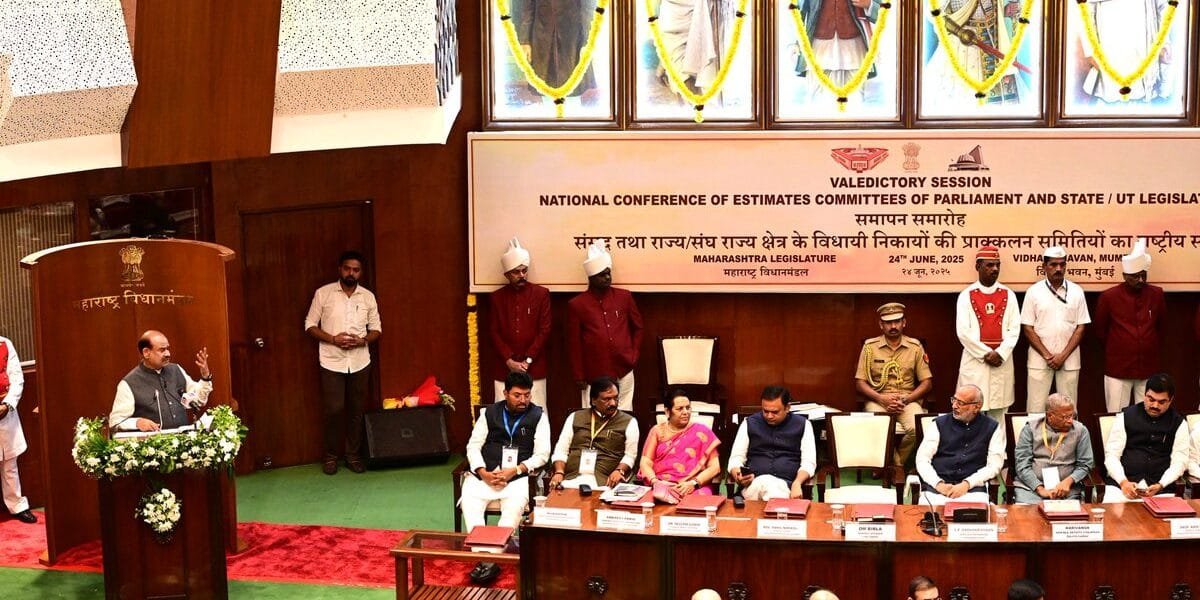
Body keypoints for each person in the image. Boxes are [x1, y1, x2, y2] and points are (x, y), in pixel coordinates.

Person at [305, 250, 382, 475]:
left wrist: (362, 341)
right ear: (340, 269)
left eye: (355, 270)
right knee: (334, 410)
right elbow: (309, 324)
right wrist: (333, 339)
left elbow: (377, 329)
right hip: (331, 360)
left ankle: (353, 456)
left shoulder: (367, 296)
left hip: (360, 360)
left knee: (356, 410)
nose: (351, 273)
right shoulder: (324, 293)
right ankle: (330, 457)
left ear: (360, 272)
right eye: (347, 268)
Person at [461, 371, 550, 532]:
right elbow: (473, 446)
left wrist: (516, 470)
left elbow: (542, 454)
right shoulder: (489, 413)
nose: (523, 400)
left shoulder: (538, 416)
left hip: (518, 479)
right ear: (505, 393)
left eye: (527, 395)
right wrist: (482, 472)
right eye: (517, 395)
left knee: (510, 516)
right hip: (483, 477)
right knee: (471, 508)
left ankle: (496, 554)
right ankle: (480, 550)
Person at [567, 242, 643, 410]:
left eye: (609, 273)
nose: (607, 278)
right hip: (593, 373)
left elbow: (638, 328)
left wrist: (633, 355)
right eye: (602, 275)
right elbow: (574, 343)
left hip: (624, 368)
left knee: (624, 415)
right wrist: (579, 374)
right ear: (591, 277)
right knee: (592, 417)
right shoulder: (577, 304)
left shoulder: (624, 297)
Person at [855, 302, 933, 466]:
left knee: (917, 429)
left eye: (897, 321)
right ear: (881, 325)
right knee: (878, 427)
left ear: (904, 323)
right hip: (878, 399)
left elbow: (927, 383)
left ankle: (893, 464)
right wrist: (881, 399)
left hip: (907, 400)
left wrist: (906, 399)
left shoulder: (915, 347)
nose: (893, 326)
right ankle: (894, 467)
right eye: (888, 322)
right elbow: (860, 382)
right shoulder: (870, 347)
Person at [1094, 238, 1165, 412]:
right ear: (1125, 276)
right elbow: (1100, 331)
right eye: (1135, 277)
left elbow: (1162, 328)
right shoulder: (1109, 297)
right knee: (1116, 416)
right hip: (1118, 367)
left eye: (1143, 275)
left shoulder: (1156, 294)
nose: (1140, 280)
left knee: (1148, 415)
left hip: (1147, 366)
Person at [1021, 246, 1090, 413]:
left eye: (1062, 264)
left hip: (1069, 360)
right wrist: (1047, 355)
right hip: (1039, 360)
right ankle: (1035, 440)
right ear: (1044, 267)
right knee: (1035, 409)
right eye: (1053, 265)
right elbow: (1027, 328)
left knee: (1068, 409)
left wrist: (1063, 355)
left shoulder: (1076, 291)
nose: (1058, 269)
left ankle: (1070, 440)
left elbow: (1081, 327)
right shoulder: (1033, 292)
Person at [956, 245, 1020, 420]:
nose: (995, 269)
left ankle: (998, 448)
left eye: (997, 265)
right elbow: (963, 332)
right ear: (978, 267)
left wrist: (1000, 353)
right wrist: (986, 354)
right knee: (970, 409)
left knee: (1000, 412)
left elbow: (1014, 329)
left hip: (1001, 362)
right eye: (989, 265)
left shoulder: (1009, 294)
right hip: (976, 363)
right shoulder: (965, 295)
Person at [1103, 372, 1188, 502]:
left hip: (1161, 490)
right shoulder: (1125, 416)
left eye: (1161, 402)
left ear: (1170, 400)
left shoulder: (1179, 423)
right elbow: (1112, 456)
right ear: (1144, 395)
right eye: (1151, 399)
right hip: (1122, 487)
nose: (1155, 405)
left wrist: (1161, 484)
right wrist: (1123, 482)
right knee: (1113, 519)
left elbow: (1180, 461)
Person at [489, 237, 552, 412]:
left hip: (534, 366)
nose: (522, 275)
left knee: (538, 413)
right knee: (502, 415)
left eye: (524, 270)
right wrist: (509, 360)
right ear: (507, 274)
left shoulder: (541, 294)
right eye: (516, 272)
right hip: (504, 367)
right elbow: (494, 332)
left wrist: (528, 360)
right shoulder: (497, 298)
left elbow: (545, 329)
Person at [915, 384, 1005, 505]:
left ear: (976, 407)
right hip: (938, 487)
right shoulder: (938, 424)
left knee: (975, 520)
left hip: (973, 489)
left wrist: (967, 484)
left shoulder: (992, 428)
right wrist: (938, 483)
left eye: (961, 403)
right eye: (954, 400)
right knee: (930, 518)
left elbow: (994, 465)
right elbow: (922, 459)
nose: (954, 406)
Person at [109, 330, 212, 432]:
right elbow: (115, 421)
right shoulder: (129, 383)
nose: (168, 353)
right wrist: (137, 422)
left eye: (167, 348)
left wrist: (205, 377)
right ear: (146, 353)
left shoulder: (176, 370)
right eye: (162, 350)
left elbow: (199, 400)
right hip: (152, 445)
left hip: (183, 441)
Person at [548, 376, 639, 490]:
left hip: (605, 482)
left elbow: (630, 455)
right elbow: (561, 449)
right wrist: (559, 472)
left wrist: (619, 470)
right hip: (571, 479)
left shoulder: (629, 422)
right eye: (606, 399)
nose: (613, 403)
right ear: (593, 400)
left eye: (615, 398)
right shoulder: (575, 417)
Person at [728, 386, 816, 500]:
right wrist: (738, 475)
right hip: (753, 487)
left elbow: (809, 463)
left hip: (788, 487)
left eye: (775, 412)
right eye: (765, 411)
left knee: (772, 488)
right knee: (767, 483)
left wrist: (797, 483)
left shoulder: (803, 425)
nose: (769, 416)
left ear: (787, 408)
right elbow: (736, 458)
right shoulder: (749, 423)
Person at [1078, 0, 1171, 104]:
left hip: (1144, 49)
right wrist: (1090, 51)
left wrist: (1164, 43)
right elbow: (1085, 9)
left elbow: (1163, 8)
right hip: (1109, 49)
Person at [639, 390, 721, 504]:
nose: (685, 412)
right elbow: (645, 462)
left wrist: (693, 483)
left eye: (688, 408)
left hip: (693, 487)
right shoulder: (657, 431)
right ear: (667, 412)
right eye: (680, 409)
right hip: (660, 486)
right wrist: (655, 482)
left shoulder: (702, 432)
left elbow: (715, 467)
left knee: (698, 504)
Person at [792, 0, 881, 104]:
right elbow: (798, 12)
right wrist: (797, 43)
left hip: (853, 49)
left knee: (855, 100)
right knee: (816, 99)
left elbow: (883, 11)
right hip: (818, 49)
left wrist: (869, 5)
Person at [1013, 393, 1094, 504]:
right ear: (1050, 416)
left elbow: (1085, 464)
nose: (1070, 420)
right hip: (1031, 489)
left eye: (1072, 416)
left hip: (1067, 490)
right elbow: (1022, 464)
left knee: (1068, 517)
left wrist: (1068, 482)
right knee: (1028, 517)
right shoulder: (1030, 429)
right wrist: (1040, 488)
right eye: (1066, 417)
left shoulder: (1081, 431)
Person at [513, 0, 597, 101]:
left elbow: (588, 6)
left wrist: (588, 41)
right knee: (545, 89)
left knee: (573, 90)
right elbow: (527, 7)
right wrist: (524, 40)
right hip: (542, 33)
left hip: (573, 37)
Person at [655, 0, 732, 100]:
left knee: (701, 70)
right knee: (677, 65)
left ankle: (698, 109)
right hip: (673, 11)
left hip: (704, 9)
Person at [0, 336, 35, 524]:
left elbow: (16, 377)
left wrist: (8, 404)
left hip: (5, 410)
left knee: (10, 463)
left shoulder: (4, 343)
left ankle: (17, 505)